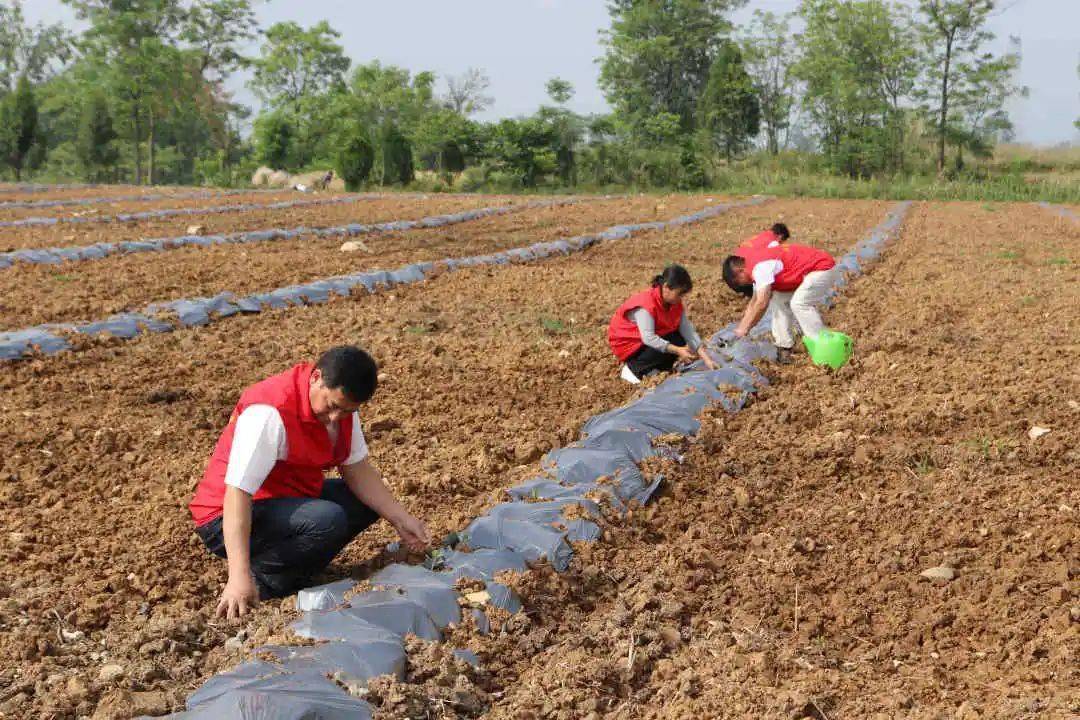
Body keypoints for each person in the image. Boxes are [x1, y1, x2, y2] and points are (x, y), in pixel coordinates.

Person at [189, 346, 431, 619]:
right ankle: (263, 581)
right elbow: (237, 493)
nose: (335, 418)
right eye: (332, 406)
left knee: (362, 503)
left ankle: (290, 570)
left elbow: (358, 470)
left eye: (347, 411)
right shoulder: (269, 412)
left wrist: (401, 519)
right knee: (326, 520)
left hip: (284, 497)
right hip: (224, 516)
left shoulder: (343, 410)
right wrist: (238, 575)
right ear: (316, 377)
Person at [722, 242, 837, 363]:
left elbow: (762, 303)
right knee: (778, 300)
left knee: (799, 304)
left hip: (822, 268)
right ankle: (784, 347)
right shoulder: (754, 268)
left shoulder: (760, 268)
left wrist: (745, 329)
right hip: (806, 274)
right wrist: (741, 329)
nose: (743, 285)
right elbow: (754, 303)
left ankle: (823, 345)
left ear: (740, 272)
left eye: (739, 282)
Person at [608, 265, 718, 384]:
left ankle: (658, 369)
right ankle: (635, 369)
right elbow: (648, 338)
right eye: (679, 294)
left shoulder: (674, 303)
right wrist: (678, 350)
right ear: (666, 287)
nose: (681, 298)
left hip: (643, 342)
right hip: (630, 346)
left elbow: (688, 331)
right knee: (674, 343)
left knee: (677, 337)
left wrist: (707, 359)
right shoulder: (646, 305)